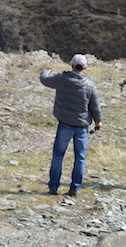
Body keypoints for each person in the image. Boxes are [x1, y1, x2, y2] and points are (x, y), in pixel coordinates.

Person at [40, 53, 103, 197]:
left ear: (71, 65)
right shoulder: (89, 85)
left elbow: (44, 80)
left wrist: (45, 71)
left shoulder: (61, 79)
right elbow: (96, 107)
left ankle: (53, 187)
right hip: (82, 127)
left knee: (58, 155)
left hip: (64, 124)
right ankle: (74, 188)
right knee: (80, 157)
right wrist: (98, 122)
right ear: (85, 68)